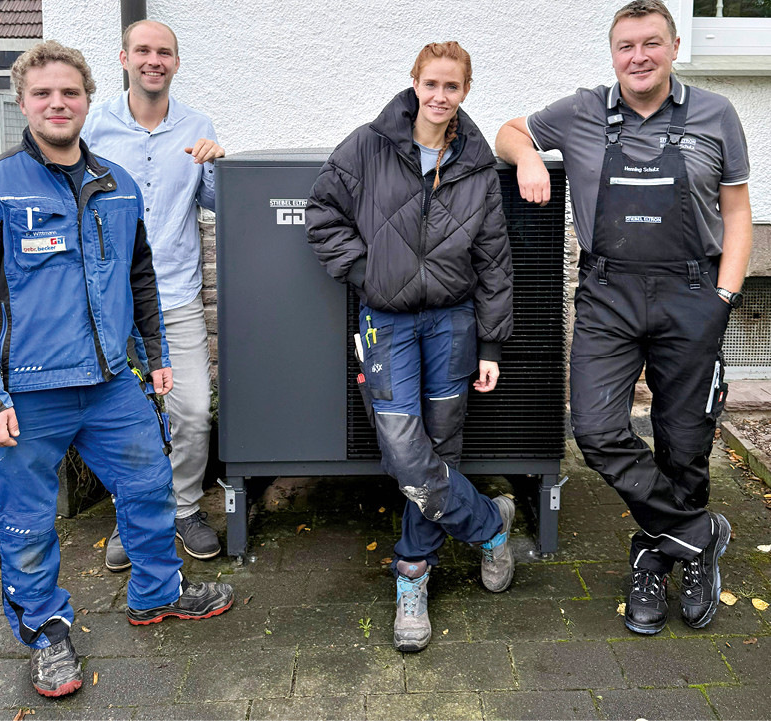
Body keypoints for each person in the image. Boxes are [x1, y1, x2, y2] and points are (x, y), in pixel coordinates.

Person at [0, 41, 233, 698]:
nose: (57, 104)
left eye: (69, 93)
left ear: (85, 100)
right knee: (23, 522)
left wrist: (155, 355)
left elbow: (140, 278)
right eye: (44, 93)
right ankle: (46, 631)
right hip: (25, 392)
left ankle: (157, 593)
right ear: (23, 102)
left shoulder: (117, 185)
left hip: (110, 385)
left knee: (149, 489)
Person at [495, 0, 751, 635]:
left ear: (673, 46)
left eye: (652, 44)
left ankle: (661, 555)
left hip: (693, 293)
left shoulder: (716, 114)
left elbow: (739, 213)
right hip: (608, 294)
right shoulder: (582, 110)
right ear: (613, 54)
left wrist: (723, 298)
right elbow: (509, 128)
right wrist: (528, 156)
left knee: (685, 438)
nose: (639, 57)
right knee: (597, 428)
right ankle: (695, 532)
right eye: (626, 46)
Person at [306, 41, 515, 653]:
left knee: (441, 442)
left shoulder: (476, 163)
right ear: (414, 84)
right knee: (403, 445)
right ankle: (488, 527)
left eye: (451, 87)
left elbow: (494, 259)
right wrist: (368, 273)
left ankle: (413, 572)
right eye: (431, 84)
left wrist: (492, 345)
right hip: (388, 322)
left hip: (453, 323)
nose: (439, 96)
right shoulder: (368, 145)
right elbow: (323, 213)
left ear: (464, 93)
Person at [81, 20, 225, 567]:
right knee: (123, 416)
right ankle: (134, 514)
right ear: (123, 57)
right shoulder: (94, 127)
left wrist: (217, 167)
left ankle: (185, 507)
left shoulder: (196, 124)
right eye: (143, 50)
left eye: (163, 52)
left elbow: (213, 203)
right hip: (110, 301)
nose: (153, 60)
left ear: (176, 62)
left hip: (176, 295)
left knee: (190, 410)